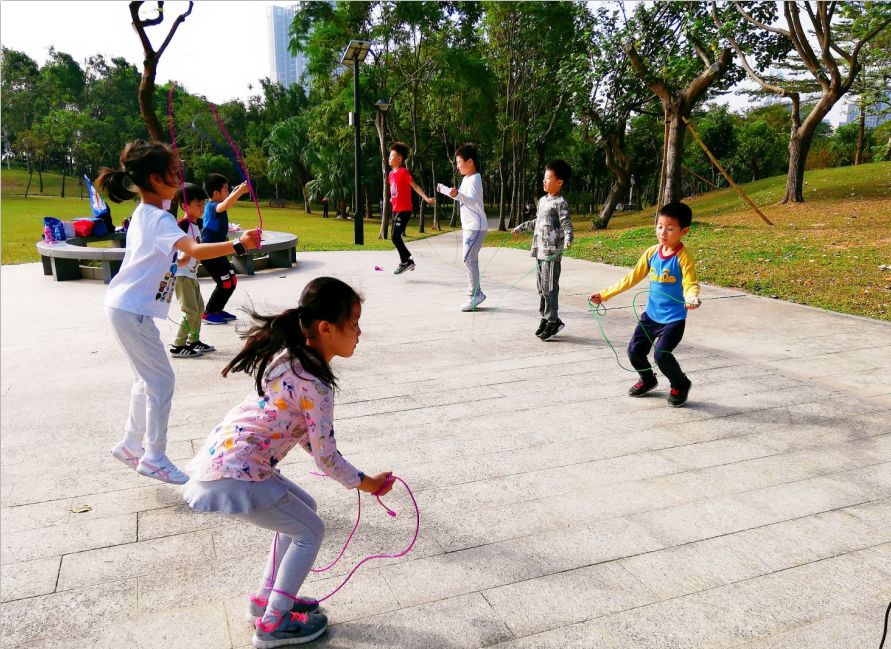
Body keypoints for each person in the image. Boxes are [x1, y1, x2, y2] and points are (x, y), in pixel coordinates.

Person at [182, 276, 394, 648]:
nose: (359, 332)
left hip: (227, 461)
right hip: (238, 472)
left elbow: (308, 439)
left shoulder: (289, 357)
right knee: (309, 531)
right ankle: (274, 623)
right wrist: (369, 483)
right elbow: (327, 458)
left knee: (305, 511)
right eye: (354, 323)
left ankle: (267, 598)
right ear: (326, 328)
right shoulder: (316, 384)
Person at [98, 140, 260, 485]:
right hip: (132, 311)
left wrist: (185, 256)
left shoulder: (148, 215)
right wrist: (240, 244)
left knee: (146, 380)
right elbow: (196, 249)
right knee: (161, 381)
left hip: (126, 308)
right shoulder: (157, 218)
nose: (178, 178)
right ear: (156, 179)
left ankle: (130, 444)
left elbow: (183, 255)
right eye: (173, 173)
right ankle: (154, 456)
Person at [590, 201, 701, 407]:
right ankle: (648, 379)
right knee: (634, 351)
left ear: (684, 231)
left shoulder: (683, 257)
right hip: (651, 316)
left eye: (670, 228)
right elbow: (631, 278)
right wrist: (604, 294)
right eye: (659, 226)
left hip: (674, 319)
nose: (663, 232)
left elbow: (690, 282)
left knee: (662, 354)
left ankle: (680, 383)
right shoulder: (651, 253)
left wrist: (691, 297)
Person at [512, 160, 574, 341]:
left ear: (559, 182)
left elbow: (566, 224)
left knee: (550, 288)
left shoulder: (560, 203)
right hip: (539, 251)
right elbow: (536, 222)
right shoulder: (542, 201)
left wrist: (569, 238)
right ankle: (545, 317)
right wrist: (521, 227)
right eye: (544, 178)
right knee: (541, 288)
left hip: (552, 254)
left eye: (548, 178)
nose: (544, 181)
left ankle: (553, 321)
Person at [440, 143, 489, 311]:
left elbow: (472, 200)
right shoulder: (467, 179)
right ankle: (475, 293)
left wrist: (457, 194)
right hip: (470, 226)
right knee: (469, 259)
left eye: (459, 161)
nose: (457, 165)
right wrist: (449, 192)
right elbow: (463, 198)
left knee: (468, 258)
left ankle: (475, 294)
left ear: (470, 162)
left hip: (476, 226)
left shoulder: (475, 178)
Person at [169, 183, 216, 358]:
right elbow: (171, 245)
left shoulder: (196, 224)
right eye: (198, 205)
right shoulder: (182, 224)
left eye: (203, 204)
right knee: (190, 311)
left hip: (191, 274)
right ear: (185, 206)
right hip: (182, 275)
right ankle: (178, 344)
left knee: (199, 309)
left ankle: (193, 340)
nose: (202, 207)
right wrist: (180, 260)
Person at [201, 173, 251, 325]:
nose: (228, 193)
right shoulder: (212, 206)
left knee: (232, 280)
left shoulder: (217, 204)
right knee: (225, 283)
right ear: (215, 193)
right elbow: (225, 205)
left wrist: (237, 190)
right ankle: (209, 313)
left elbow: (226, 202)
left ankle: (218, 309)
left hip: (218, 251)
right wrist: (240, 192)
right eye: (225, 190)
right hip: (209, 253)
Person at [388, 142, 435, 274]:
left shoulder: (403, 172)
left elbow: (414, 186)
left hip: (404, 210)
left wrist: (426, 198)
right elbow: (395, 189)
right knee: (395, 237)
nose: (389, 158)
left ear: (399, 159)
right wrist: (392, 198)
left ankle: (406, 261)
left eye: (391, 156)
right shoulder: (391, 174)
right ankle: (407, 261)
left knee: (395, 236)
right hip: (395, 210)